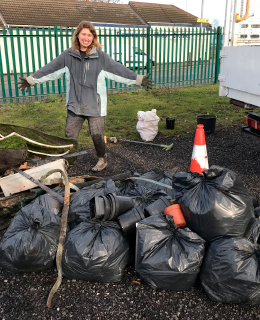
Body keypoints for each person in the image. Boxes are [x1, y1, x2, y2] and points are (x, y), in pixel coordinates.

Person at [17, 21, 153, 172]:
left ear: (93, 37)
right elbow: (51, 68)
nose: (86, 38)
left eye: (89, 35)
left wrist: (138, 79)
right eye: (83, 34)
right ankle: (66, 161)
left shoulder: (101, 57)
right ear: (78, 35)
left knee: (97, 135)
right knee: (69, 136)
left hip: (95, 105)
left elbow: (118, 69)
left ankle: (102, 159)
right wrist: (32, 79)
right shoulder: (68, 55)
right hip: (75, 104)